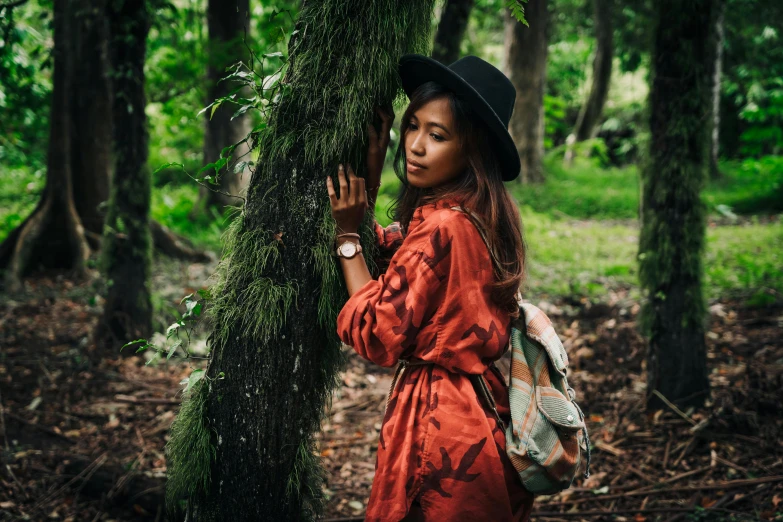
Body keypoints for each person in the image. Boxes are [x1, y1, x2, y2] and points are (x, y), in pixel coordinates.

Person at [325, 54, 533, 522]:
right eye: (413, 127)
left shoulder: (443, 226)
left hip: (440, 431)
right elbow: (396, 260)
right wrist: (373, 170)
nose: (416, 146)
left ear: (472, 148)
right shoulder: (482, 214)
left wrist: (344, 240)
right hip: (482, 417)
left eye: (437, 136)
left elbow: (378, 330)